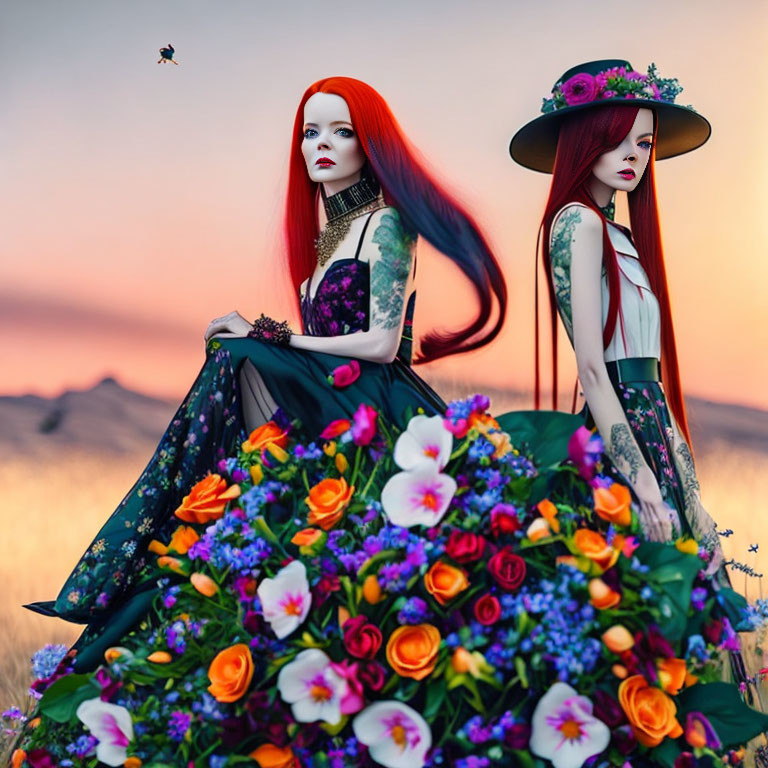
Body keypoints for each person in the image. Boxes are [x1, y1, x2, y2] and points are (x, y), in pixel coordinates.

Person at [23, 76, 506, 672]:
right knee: (236, 356)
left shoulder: (386, 223)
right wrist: (263, 338)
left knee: (237, 352)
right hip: (326, 398)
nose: (322, 143)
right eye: (310, 131)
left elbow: (382, 345)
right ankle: (236, 498)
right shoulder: (324, 240)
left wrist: (271, 336)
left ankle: (225, 489)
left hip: (374, 404)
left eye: (343, 130)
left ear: (370, 144)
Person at [506, 59, 724, 571]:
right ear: (584, 140)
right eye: (617, 139)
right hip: (620, 435)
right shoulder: (577, 222)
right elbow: (591, 370)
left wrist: (693, 498)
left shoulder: (620, 236)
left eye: (645, 143)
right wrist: (644, 483)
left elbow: (653, 382)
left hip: (651, 427)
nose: (634, 154)